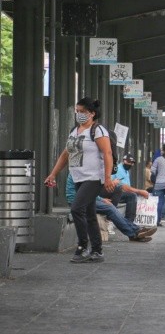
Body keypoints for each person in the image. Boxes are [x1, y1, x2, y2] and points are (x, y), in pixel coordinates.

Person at [44, 97, 115, 263]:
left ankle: (83, 247)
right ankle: (97, 250)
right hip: (78, 177)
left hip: (93, 178)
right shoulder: (74, 131)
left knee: (76, 209)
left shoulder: (98, 131)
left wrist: (107, 178)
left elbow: (107, 153)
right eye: (77, 111)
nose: (79, 114)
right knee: (89, 214)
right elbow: (65, 154)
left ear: (92, 113)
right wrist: (53, 174)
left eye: (82, 111)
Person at [111, 153, 138, 223]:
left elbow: (127, 187)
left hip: (119, 192)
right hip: (113, 192)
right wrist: (139, 191)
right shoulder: (119, 169)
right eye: (129, 162)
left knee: (132, 195)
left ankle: (129, 221)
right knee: (132, 196)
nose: (130, 164)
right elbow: (124, 188)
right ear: (124, 161)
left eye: (132, 163)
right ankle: (129, 222)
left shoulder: (126, 171)